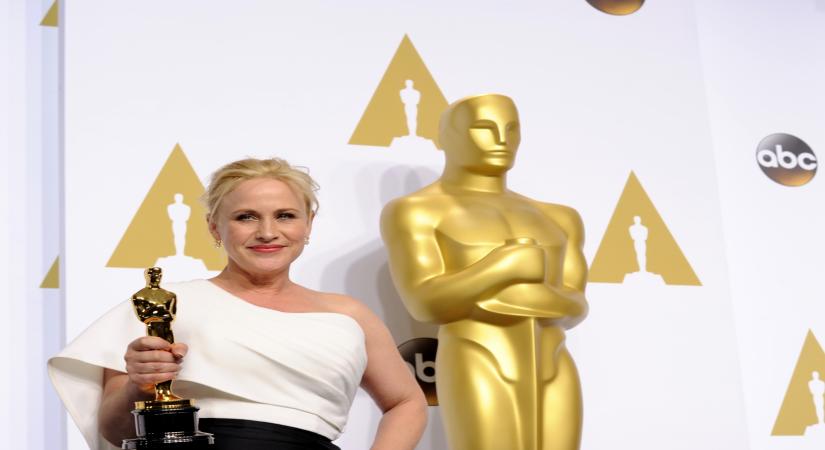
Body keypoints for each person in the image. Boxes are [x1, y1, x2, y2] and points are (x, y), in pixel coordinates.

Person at [49, 158, 427, 450]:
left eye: (285, 216)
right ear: (215, 227)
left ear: (308, 224)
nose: (267, 232)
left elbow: (407, 401)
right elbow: (114, 429)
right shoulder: (167, 306)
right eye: (246, 217)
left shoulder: (348, 315)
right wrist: (139, 385)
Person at [381, 94, 588, 450]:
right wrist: (502, 267)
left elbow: (576, 306)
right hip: (476, 353)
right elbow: (427, 303)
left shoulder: (559, 217)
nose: (501, 141)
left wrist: (490, 294)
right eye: (484, 128)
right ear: (447, 137)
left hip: (554, 360)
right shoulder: (416, 212)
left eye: (511, 129)